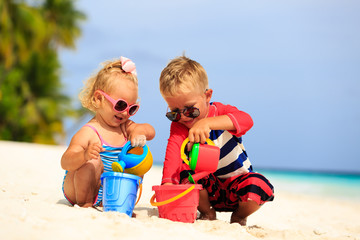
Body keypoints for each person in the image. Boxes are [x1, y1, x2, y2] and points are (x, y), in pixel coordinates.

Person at [158, 55, 274, 226]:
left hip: (238, 187)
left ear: (207, 96)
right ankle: (208, 213)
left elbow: (246, 120)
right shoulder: (180, 127)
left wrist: (208, 123)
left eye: (190, 110)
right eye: (174, 112)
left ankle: (239, 216)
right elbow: (173, 156)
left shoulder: (221, 112)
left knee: (259, 184)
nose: (183, 117)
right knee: (185, 175)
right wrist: (167, 184)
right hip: (207, 191)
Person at [61, 56, 155, 208]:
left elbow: (150, 131)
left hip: (108, 192)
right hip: (78, 189)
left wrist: (138, 132)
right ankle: (86, 203)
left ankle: (123, 202)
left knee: (136, 158)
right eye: (120, 105)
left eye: (131, 109)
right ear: (98, 99)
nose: (125, 113)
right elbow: (65, 161)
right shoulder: (89, 132)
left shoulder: (125, 126)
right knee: (93, 161)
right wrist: (83, 155)